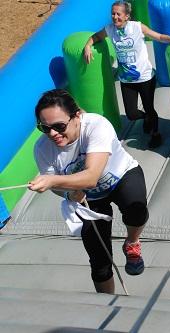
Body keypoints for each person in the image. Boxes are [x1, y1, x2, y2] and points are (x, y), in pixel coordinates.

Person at [29, 89, 149, 294]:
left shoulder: (96, 125)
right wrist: (67, 193)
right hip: (87, 198)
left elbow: (92, 176)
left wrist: (52, 181)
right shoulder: (42, 149)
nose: (52, 134)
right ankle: (106, 307)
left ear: (77, 116)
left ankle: (132, 242)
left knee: (136, 211)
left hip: (121, 177)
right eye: (44, 128)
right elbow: (57, 187)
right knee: (100, 263)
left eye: (58, 126)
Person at [83, 0, 170, 148]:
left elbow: (158, 36)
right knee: (131, 114)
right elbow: (96, 37)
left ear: (127, 16)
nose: (115, 17)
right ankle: (147, 119)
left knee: (149, 107)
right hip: (126, 80)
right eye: (113, 14)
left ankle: (155, 134)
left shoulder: (137, 27)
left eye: (118, 14)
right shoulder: (110, 29)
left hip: (145, 78)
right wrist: (88, 46)